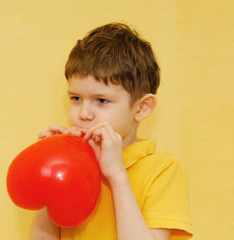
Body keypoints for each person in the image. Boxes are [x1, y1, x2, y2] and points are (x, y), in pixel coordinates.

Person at [29, 23, 193, 240]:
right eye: (76, 98)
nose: (84, 113)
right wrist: (51, 171)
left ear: (141, 108)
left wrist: (116, 175)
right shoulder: (74, 165)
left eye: (101, 100)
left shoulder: (163, 169)